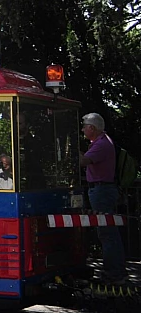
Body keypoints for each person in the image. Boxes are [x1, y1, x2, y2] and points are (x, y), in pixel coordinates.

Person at [79, 113, 126, 284]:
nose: (82, 130)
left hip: (101, 191)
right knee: (108, 232)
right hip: (102, 189)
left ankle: (113, 274)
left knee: (107, 233)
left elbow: (83, 161)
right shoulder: (103, 142)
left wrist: (68, 147)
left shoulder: (101, 144)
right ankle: (115, 272)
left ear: (92, 128)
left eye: (84, 126)